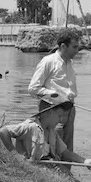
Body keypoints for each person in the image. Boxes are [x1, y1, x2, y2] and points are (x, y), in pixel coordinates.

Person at [28, 30, 79, 165]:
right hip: (52, 110)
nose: (77, 50)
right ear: (63, 46)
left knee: (67, 148)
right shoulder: (48, 62)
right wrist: (52, 94)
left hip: (69, 110)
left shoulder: (69, 63)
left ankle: (67, 178)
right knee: (54, 148)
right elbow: (33, 89)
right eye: (74, 47)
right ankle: (55, 174)